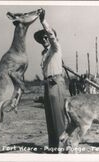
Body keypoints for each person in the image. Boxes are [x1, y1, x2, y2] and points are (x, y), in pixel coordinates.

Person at [34, 9, 66, 153]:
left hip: (56, 84)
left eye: (46, 37)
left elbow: (52, 37)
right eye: (43, 38)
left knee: (58, 116)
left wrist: (43, 22)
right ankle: (53, 146)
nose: (45, 39)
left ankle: (63, 146)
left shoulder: (55, 48)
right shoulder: (44, 54)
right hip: (48, 85)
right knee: (50, 117)